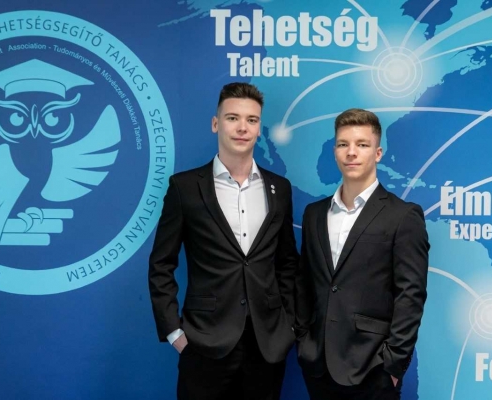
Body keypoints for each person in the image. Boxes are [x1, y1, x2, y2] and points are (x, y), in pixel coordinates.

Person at [149, 82, 299, 400]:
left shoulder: (280, 189)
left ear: (258, 127)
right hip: (203, 343)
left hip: (266, 346)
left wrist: (288, 327)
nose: (242, 127)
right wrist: (174, 332)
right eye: (233, 118)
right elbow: (161, 264)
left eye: (251, 120)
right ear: (216, 124)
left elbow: (287, 262)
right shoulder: (185, 188)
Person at [294, 108, 429, 400]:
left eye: (362, 144)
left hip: (373, 370)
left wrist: (393, 364)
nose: (351, 152)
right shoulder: (314, 214)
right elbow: (304, 282)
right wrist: (304, 341)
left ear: (378, 153)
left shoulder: (403, 216)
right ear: (335, 152)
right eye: (343, 144)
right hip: (318, 365)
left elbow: (410, 295)